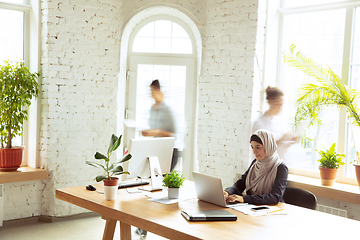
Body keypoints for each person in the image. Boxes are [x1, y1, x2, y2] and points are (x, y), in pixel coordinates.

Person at [137, 79, 178, 237]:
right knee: (150, 188)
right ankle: (144, 226)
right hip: (156, 150)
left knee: (164, 191)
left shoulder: (167, 110)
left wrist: (153, 132)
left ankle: (164, 226)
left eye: (152, 91)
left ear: (158, 90)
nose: (151, 95)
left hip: (170, 151)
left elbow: (171, 133)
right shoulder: (153, 108)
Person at [223, 129, 288, 205]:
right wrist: (227, 192)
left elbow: (274, 197)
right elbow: (240, 184)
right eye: (252, 147)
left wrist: (244, 198)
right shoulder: (255, 163)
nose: (254, 151)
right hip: (252, 208)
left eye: (258, 147)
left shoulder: (281, 168)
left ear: (268, 146)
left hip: (271, 211)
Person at [252, 86, 296, 160]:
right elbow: (261, 149)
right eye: (277, 104)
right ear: (270, 102)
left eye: (281, 105)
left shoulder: (280, 122)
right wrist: (281, 140)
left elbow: (280, 145)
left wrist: (290, 140)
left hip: (280, 162)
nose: (280, 108)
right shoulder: (258, 123)